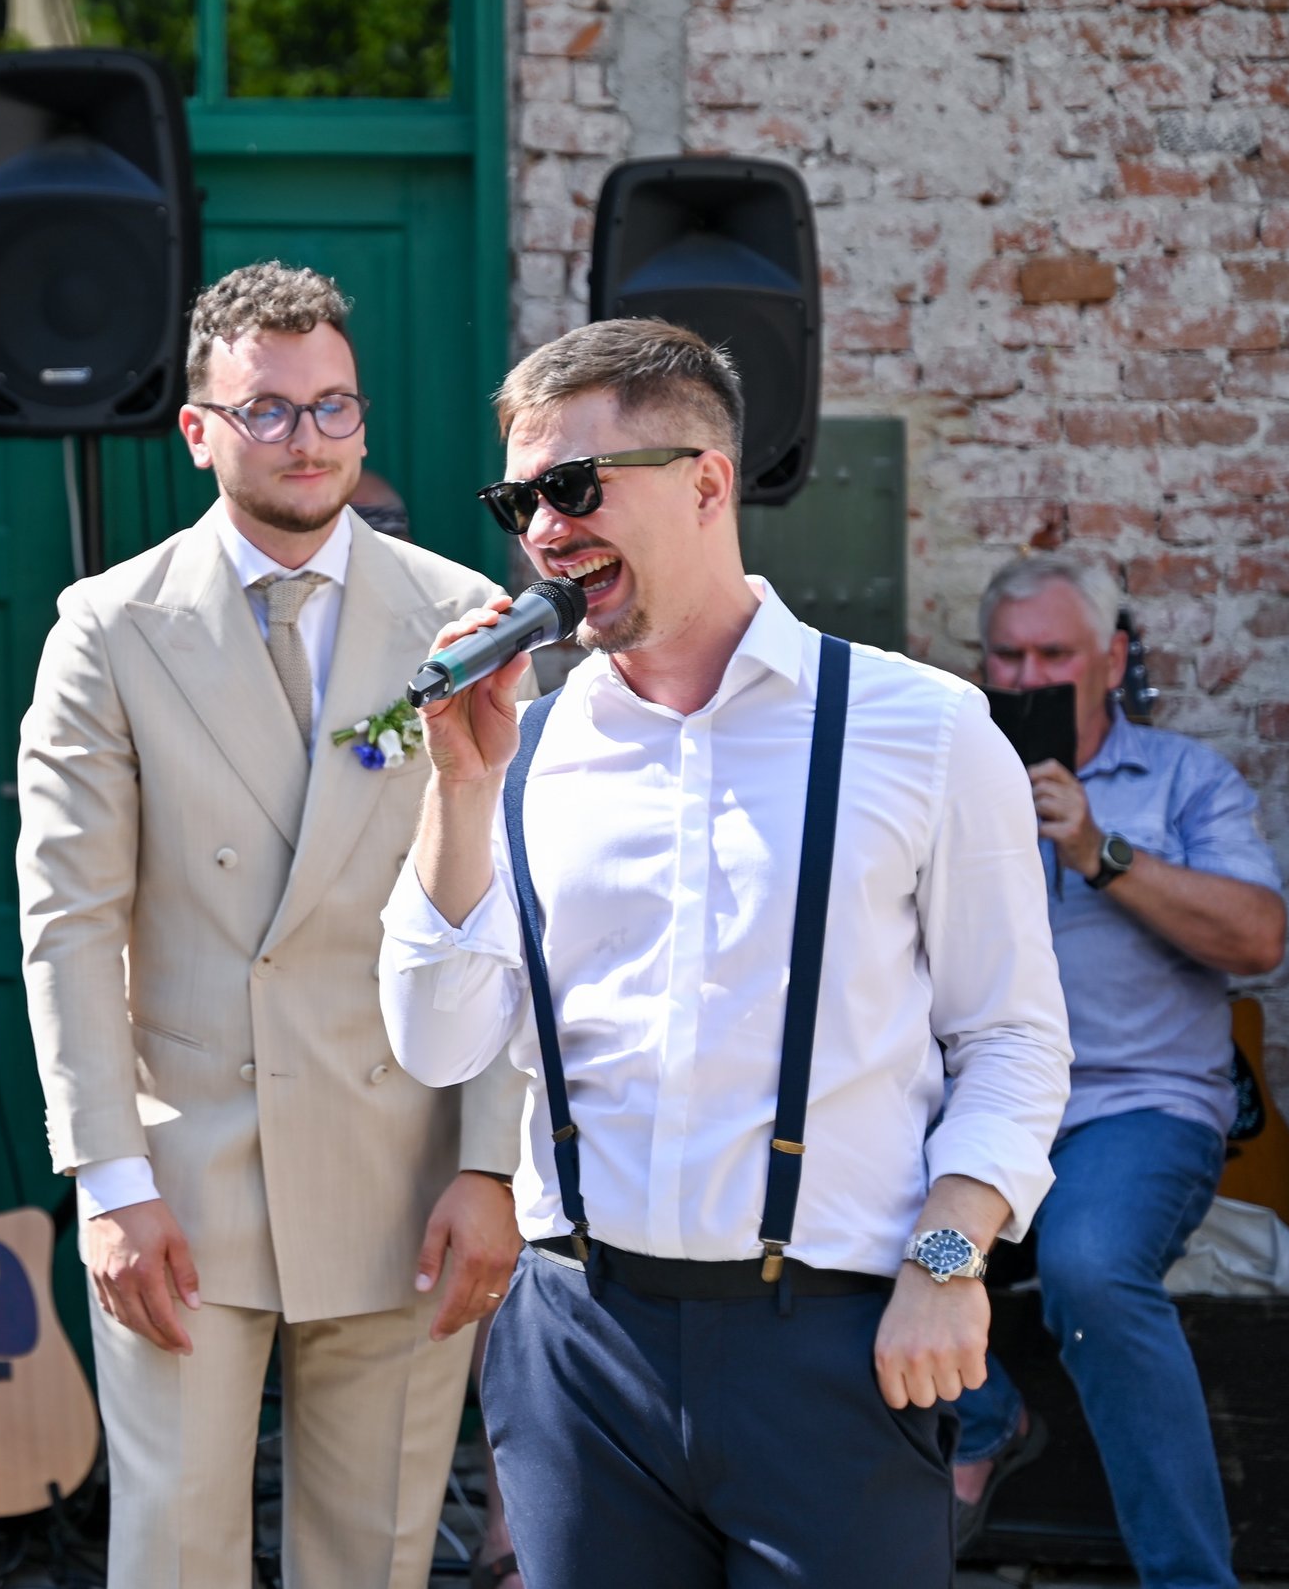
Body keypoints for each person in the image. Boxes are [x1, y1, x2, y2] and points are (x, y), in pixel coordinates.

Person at [380, 318, 1075, 1589]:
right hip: (578, 1344)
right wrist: (458, 793)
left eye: (574, 489)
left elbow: (1014, 1042)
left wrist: (946, 1258)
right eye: (517, 499)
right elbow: (433, 1040)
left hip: (835, 1343)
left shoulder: (921, 729)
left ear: (706, 481)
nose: (541, 530)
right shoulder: (518, 751)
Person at [17, 261, 526, 1588]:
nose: (310, 439)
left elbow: (517, 910)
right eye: (270, 410)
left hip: (402, 1161)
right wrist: (109, 1179)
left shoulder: (461, 614)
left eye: (335, 407)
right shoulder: (107, 628)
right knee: (175, 1555)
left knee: (374, 1558)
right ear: (199, 430)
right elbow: (67, 918)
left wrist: (495, 1163)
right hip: (185, 1175)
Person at [950, 553, 1286, 1583]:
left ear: (1111, 658)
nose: (1028, 675)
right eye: (1007, 656)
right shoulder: (945, 780)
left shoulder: (1185, 780)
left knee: (1090, 1267)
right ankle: (985, 1417)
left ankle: (1190, 1578)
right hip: (980, 1118)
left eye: (1054, 652)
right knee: (837, 1219)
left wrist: (1102, 851)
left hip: (1134, 1113)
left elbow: (1260, 938)